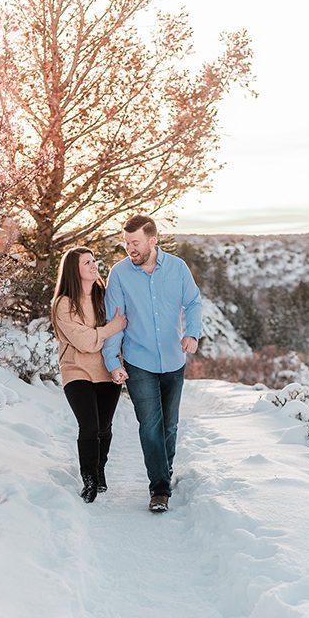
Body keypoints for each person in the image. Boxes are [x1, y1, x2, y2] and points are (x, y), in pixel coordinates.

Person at [102, 215, 203, 514]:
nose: (129, 248)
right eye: (126, 242)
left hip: (174, 359)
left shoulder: (177, 268)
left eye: (135, 242)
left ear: (152, 240)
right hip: (139, 360)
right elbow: (115, 321)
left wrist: (192, 334)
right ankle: (159, 488)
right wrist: (112, 360)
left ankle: (165, 471)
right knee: (150, 425)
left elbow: (194, 302)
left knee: (169, 426)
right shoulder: (119, 274)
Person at [51, 247, 127, 503]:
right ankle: (89, 479)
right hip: (76, 370)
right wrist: (108, 330)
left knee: (104, 428)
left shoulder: (104, 296)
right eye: (87, 263)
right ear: (75, 270)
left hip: (106, 369)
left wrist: (113, 340)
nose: (94, 265)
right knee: (90, 425)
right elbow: (84, 341)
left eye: (94, 260)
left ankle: (100, 468)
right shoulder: (64, 303)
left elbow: (120, 329)